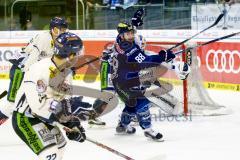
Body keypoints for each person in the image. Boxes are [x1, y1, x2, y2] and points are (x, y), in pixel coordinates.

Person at [110, 12, 191, 140]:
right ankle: (148, 130)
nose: (131, 36)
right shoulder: (127, 48)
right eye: (128, 34)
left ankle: (122, 125)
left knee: (131, 106)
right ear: (121, 35)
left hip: (120, 81)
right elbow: (146, 62)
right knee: (143, 104)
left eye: (132, 33)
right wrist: (162, 56)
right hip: (126, 83)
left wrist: (134, 23)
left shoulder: (119, 41)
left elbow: (140, 53)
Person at [12, 32, 86, 160]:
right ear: (70, 54)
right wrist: (64, 120)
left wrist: (73, 123)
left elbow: (64, 99)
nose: (78, 57)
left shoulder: (67, 72)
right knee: (51, 154)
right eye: (77, 54)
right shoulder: (39, 69)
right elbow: (37, 106)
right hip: (26, 118)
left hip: (45, 116)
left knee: (60, 147)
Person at [0, 17, 68, 125]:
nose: (62, 32)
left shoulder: (60, 42)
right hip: (20, 70)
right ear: (52, 29)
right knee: (12, 103)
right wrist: (28, 80)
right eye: (59, 29)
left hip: (31, 72)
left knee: (31, 101)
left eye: (64, 29)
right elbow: (31, 59)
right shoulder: (44, 38)